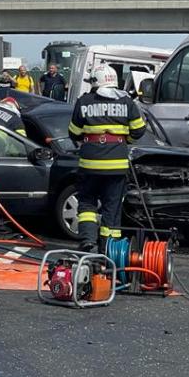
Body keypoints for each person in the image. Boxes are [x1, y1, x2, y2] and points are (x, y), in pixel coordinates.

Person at [68, 64, 146, 251]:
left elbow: (74, 132)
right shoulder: (127, 102)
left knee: (87, 202)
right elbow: (139, 130)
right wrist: (124, 139)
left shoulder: (84, 101)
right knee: (112, 206)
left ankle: (88, 241)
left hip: (90, 165)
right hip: (117, 165)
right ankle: (108, 250)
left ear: (95, 81)